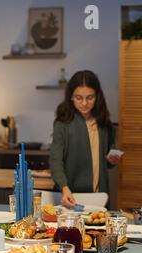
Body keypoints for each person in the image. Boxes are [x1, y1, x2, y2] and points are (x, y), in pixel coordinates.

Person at [49, 70, 121, 208]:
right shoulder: (63, 124)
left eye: (90, 98)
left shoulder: (104, 124)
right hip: (72, 197)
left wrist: (111, 160)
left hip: (100, 197)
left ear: (97, 96)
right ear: (71, 97)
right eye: (78, 98)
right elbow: (55, 161)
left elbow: (106, 160)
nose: (84, 103)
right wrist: (64, 187)